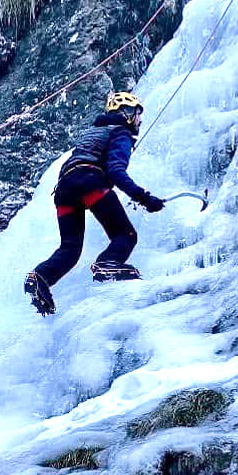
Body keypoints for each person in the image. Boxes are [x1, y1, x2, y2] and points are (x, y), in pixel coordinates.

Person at [25, 92, 166, 316]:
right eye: (136, 114)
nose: (139, 120)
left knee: (70, 249)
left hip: (64, 190)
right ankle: (108, 264)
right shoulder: (120, 132)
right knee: (125, 235)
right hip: (89, 183)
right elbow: (116, 171)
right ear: (125, 113)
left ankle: (40, 277)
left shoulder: (92, 133)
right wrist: (144, 197)